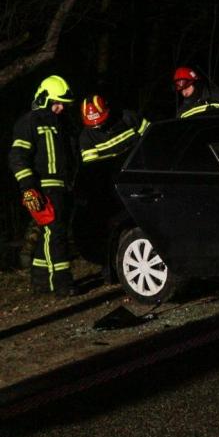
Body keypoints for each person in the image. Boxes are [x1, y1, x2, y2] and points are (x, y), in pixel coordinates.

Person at [8, 75, 78, 295]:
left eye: (63, 104)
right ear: (44, 98)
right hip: (42, 187)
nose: (59, 108)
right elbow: (17, 156)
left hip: (62, 187)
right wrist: (28, 186)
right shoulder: (28, 122)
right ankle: (61, 283)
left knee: (49, 233)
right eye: (56, 103)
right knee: (54, 233)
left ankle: (40, 281)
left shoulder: (62, 124)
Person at [78, 95, 150, 165]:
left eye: (101, 122)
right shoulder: (86, 138)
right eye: (93, 125)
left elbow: (151, 135)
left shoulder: (128, 118)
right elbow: (94, 168)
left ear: (107, 111)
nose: (98, 126)